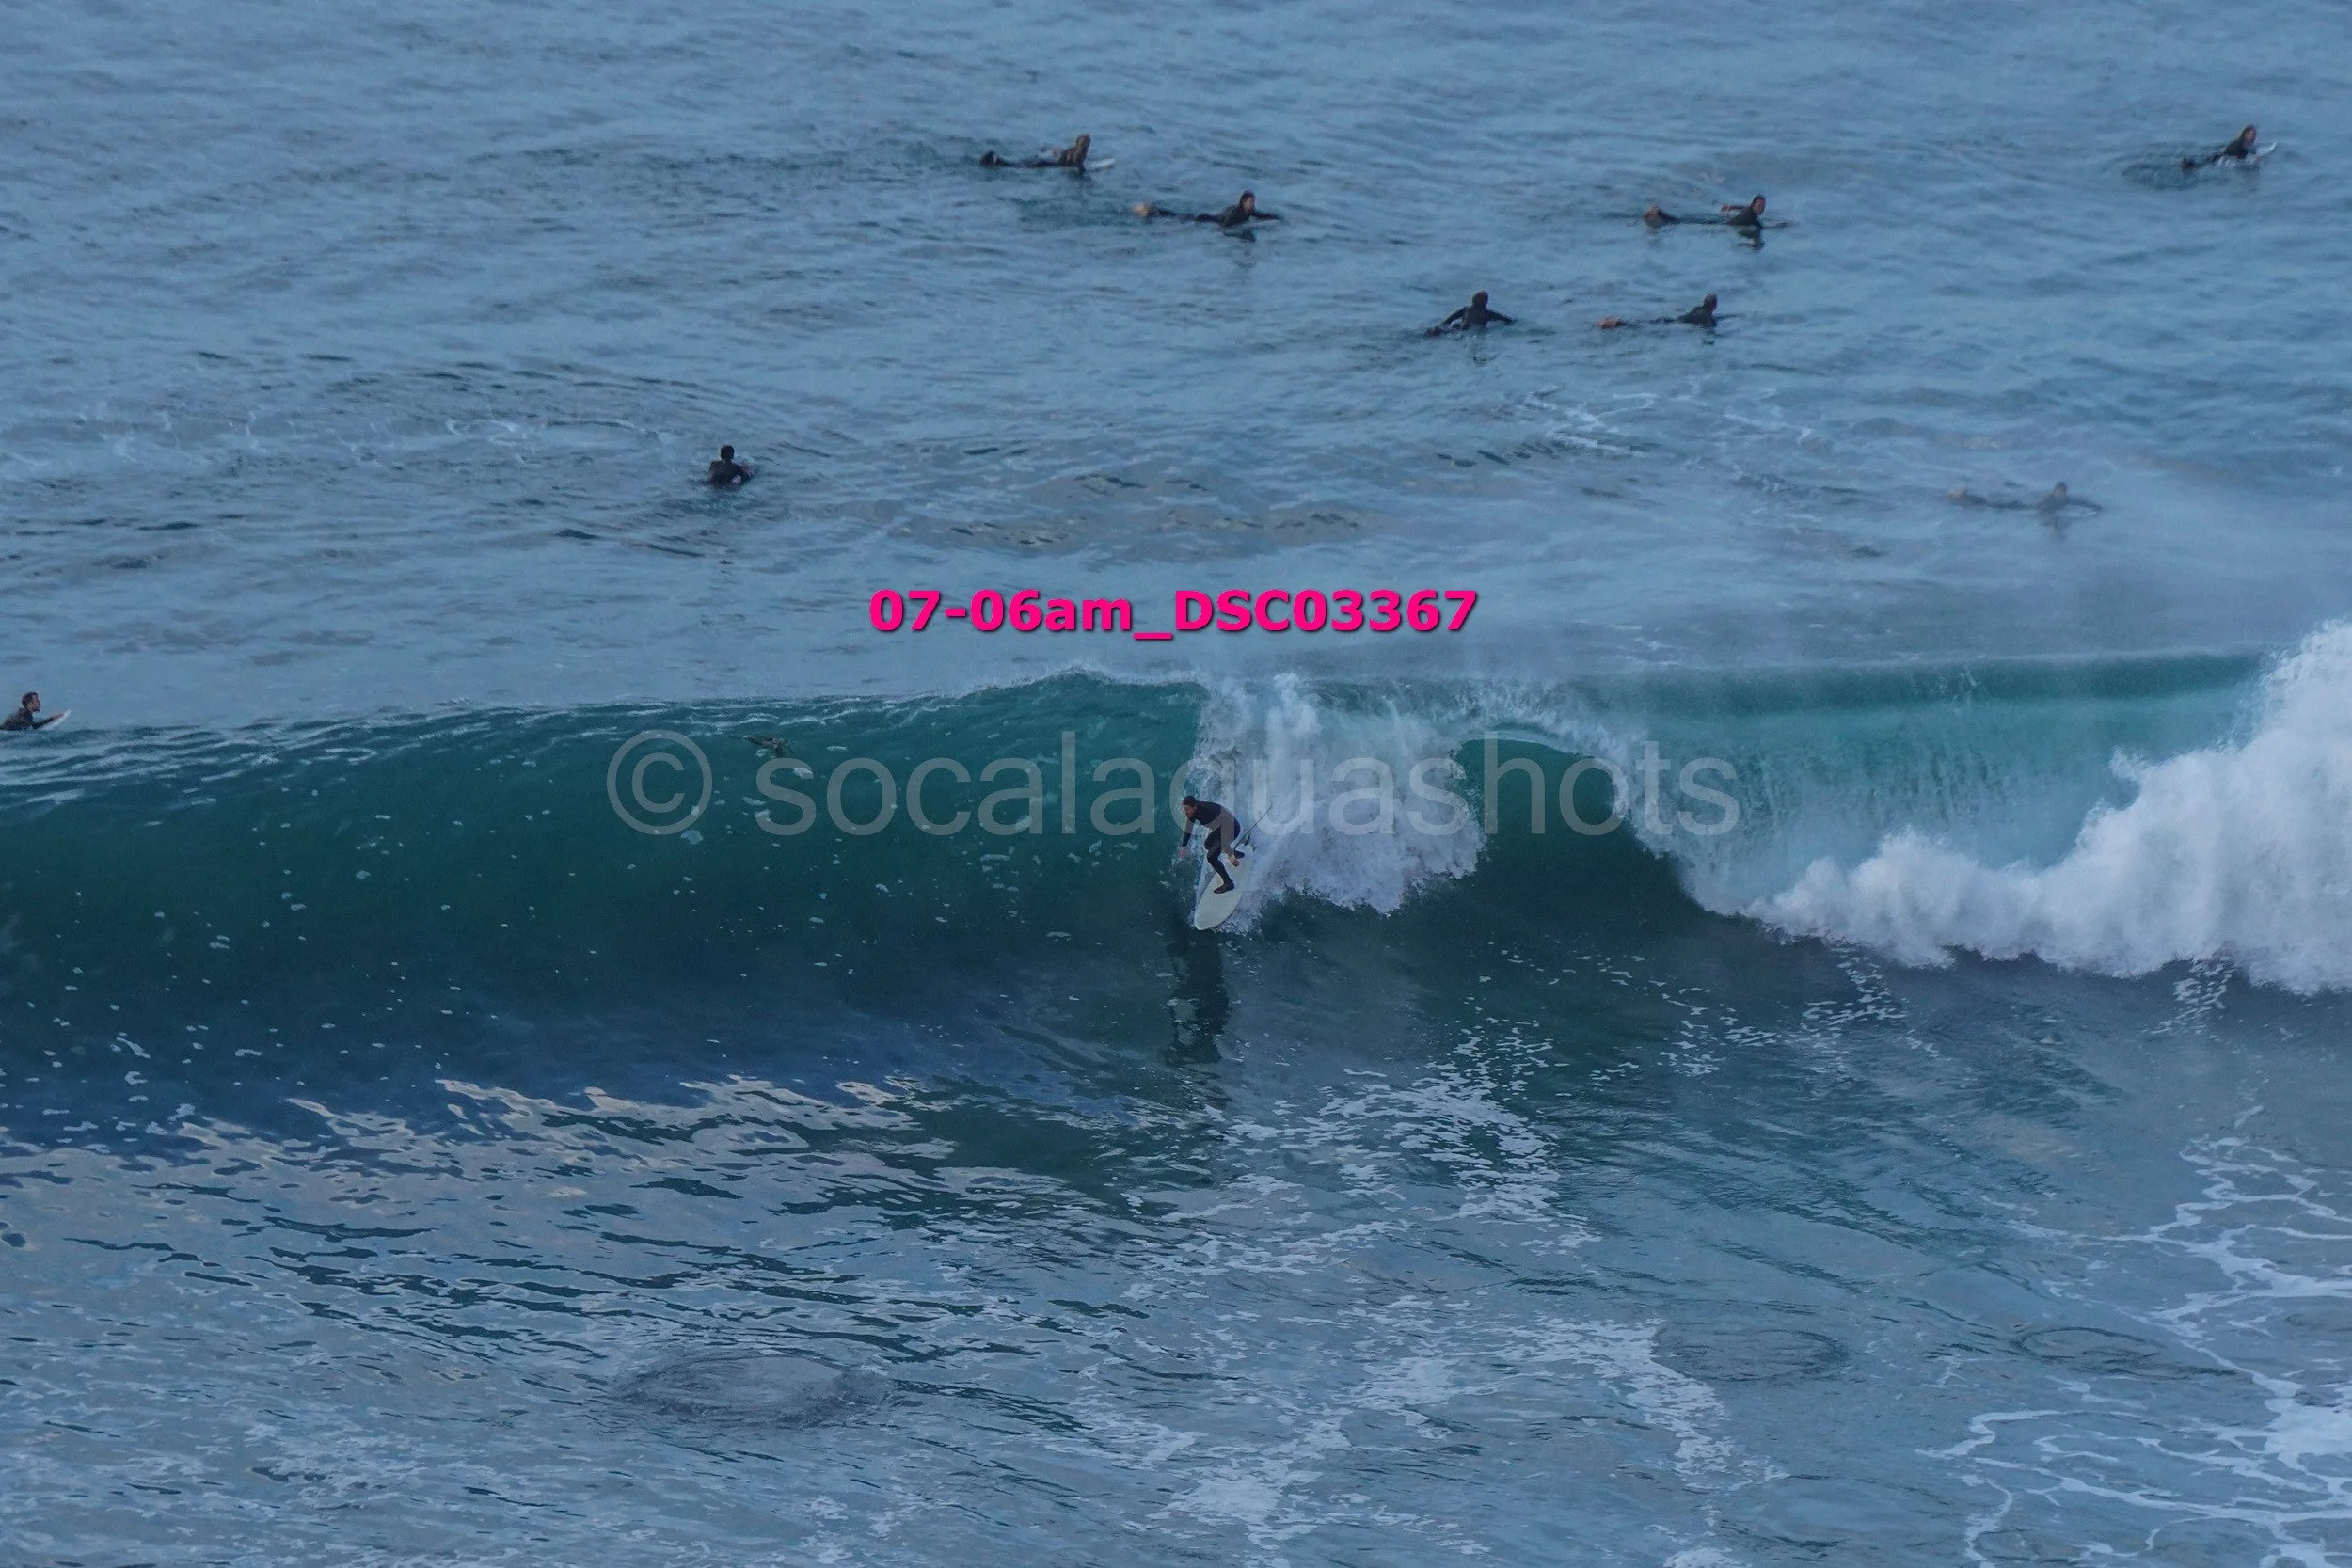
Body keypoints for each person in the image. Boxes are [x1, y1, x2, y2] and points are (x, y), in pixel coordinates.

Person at [1180, 796, 1244, 895]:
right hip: (1222, 828)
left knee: (1211, 857)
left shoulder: (1205, 812)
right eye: (1184, 809)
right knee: (1208, 845)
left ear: (1194, 807)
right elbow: (1188, 828)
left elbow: (1224, 831)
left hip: (1232, 829)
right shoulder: (1194, 811)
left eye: (1187, 809)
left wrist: (1230, 854)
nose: (1185, 812)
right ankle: (1233, 852)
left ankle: (1228, 883)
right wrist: (1184, 845)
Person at [1133, 191, 1280, 229]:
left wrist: (1277, 217)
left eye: (1253, 202)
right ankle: (1151, 211)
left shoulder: (1249, 212)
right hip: (1206, 219)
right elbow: (1225, 224)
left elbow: (1262, 215)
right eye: (1250, 202)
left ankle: (1151, 210)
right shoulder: (1236, 212)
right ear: (1243, 202)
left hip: (1209, 219)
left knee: (1177, 216)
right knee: (1176, 217)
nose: (1252, 204)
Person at [1597, 293, 1718, 330]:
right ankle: (1615, 323)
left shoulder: (1697, 309)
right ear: (1714, 306)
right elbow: (1709, 325)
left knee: (1643, 324)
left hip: (1669, 319)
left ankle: (1614, 322)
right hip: (1672, 325)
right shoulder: (1707, 318)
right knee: (1640, 327)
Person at [981, 134, 1091, 170]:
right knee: (1011, 166)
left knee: (1013, 164)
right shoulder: (1079, 154)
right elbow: (1079, 168)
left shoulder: (1070, 149)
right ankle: (995, 160)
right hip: (1047, 165)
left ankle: (995, 159)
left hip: (1043, 161)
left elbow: (1062, 155)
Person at [1427, 291, 1514, 336]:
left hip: (1460, 325)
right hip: (1471, 330)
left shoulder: (1465, 310)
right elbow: (1507, 320)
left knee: (1449, 330)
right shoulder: (1487, 313)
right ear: (1485, 302)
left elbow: (1448, 320)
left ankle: (1436, 331)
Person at [2183, 125, 2258, 171]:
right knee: (2201, 166)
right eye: (2252, 134)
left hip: (2217, 156)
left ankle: (2188, 164)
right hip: (2219, 158)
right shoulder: (2242, 144)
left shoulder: (2240, 142)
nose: (2254, 137)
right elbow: (2247, 157)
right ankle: (2188, 165)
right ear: (2245, 134)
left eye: (2255, 135)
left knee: (2202, 164)